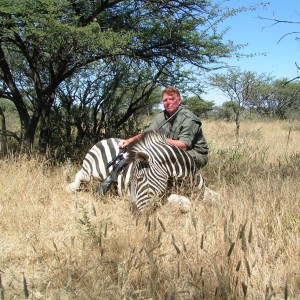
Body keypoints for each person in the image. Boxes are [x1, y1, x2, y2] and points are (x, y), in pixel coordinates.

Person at [98, 87, 209, 195]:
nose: (168, 102)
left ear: (179, 100)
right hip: (172, 150)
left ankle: (188, 187)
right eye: (165, 100)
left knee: (161, 158)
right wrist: (129, 141)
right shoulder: (161, 116)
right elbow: (147, 134)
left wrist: (158, 140)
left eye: (171, 99)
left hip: (194, 154)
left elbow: (183, 145)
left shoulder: (189, 118)